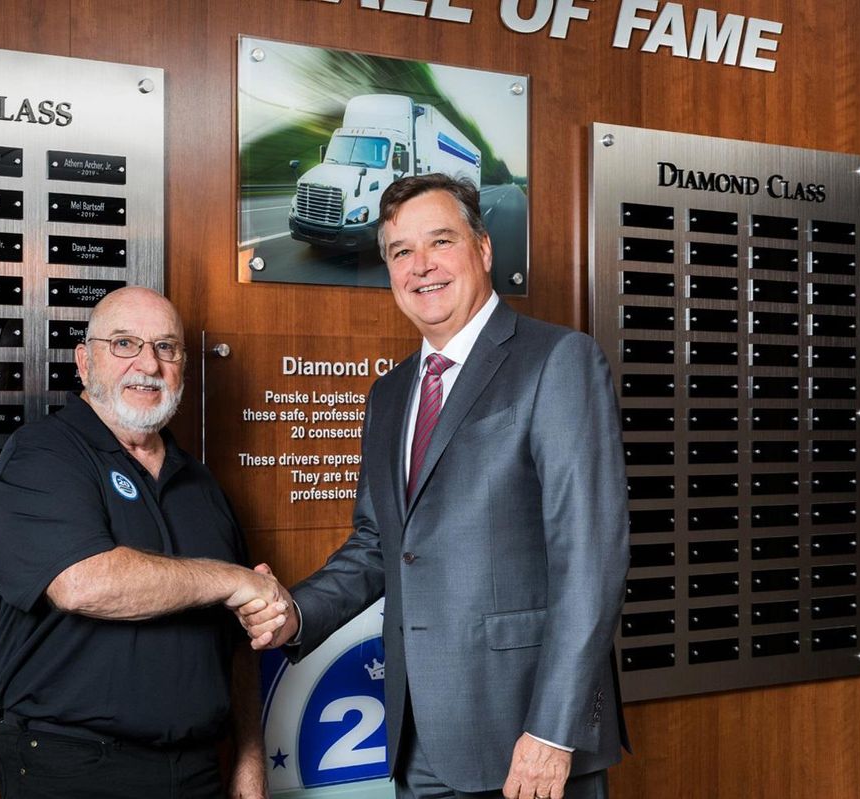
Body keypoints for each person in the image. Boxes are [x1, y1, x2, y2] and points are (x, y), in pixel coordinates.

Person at [240, 174, 630, 799]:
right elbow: (378, 543)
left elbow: (591, 557)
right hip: (416, 735)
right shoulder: (391, 393)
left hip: (524, 737)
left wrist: (553, 733)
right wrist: (294, 612)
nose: (421, 266)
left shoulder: (558, 360)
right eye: (401, 252)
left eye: (440, 242)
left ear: (483, 250)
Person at [0, 286, 278, 799]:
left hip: (196, 770)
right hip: (75, 770)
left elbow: (237, 647)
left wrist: (251, 767)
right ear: (84, 360)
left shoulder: (201, 485)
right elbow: (83, 584)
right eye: (124, 344)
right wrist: (233, 581)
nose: (149, 364)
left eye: (167, 348)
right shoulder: (43, 455)